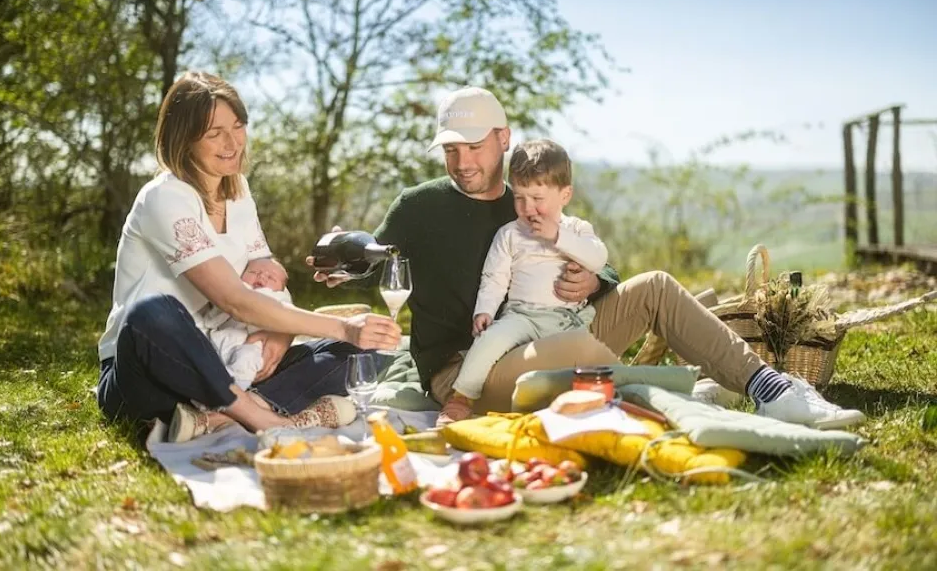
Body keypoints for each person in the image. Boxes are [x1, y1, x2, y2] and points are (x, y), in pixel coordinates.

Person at [312, 86, 865, 430]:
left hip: (559, 327)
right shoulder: (418, 206)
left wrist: (590, 280)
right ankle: (679, 384)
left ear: (503, 138)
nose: (462, 162)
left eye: (473, 146)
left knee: (654, 285)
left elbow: (601, 265)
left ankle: (773, 389)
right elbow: (375, 266)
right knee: (577, 352)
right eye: (451, 150)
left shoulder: (530, 197)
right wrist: (340, 264)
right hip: (468, 370)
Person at [96, 71, 400, 444]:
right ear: (183, 139)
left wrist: (281, 334)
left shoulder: (238, 192)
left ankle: (217, 417)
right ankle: (261, 416)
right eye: (214, 133)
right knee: (151, 313)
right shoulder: (164, 197)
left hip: (230, 361)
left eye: (238, 127)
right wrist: (343, 326)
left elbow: (268, 281)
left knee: (368, 350)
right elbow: (235, 300)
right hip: (151, 373)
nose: (232, 142)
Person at [435, 138, 608, 426]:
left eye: (537, 199)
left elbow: (598, 258)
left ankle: (590, 401)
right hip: (521, 316)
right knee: (489, 340)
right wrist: (485, 310)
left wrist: (558, 236)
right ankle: (461, 397)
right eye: (519, 198)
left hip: (565, 319)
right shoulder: (510, 234)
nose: (528, 208)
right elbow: (494, 278)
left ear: (565, 195)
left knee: (582, 354)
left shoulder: (576, 229)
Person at [200, 257, 291, 392]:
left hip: (251, 344)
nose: (262, 276)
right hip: (222, 339)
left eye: (271, 278)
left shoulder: (278, 298)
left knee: (246, 361)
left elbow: (285, 316)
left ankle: (229, 391)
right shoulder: (235, 290)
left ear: (282, 290)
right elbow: (214, 316)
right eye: (254, 272)